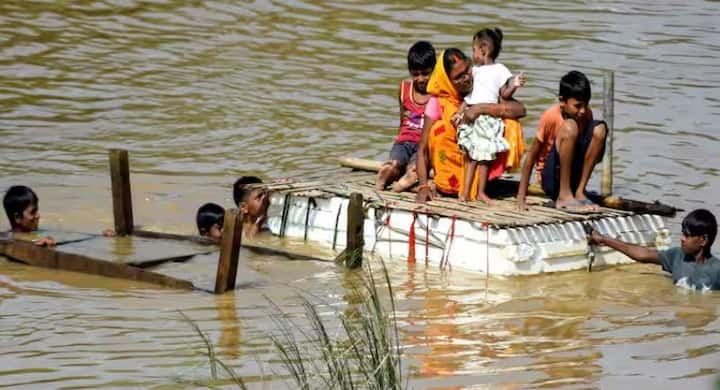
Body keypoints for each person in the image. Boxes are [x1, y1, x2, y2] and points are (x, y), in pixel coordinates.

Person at [415, 48, 526, 203]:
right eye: (458, 77)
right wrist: (423, 187)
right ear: (448, 80)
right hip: (449, 181)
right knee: (440, 130)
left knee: (511, 124)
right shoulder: (439, 102)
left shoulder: (483, 87)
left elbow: (520, 110)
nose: (466, 78)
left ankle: (481, 188)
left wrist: (480, 108)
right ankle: (458, 189)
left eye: (467, 70)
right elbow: (422, 149)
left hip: (484, 169)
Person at [516, 70, 608, 211]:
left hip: (573, 177)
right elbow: (531, 156)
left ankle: (579, 192)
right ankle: (564, 195)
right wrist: (521, 198)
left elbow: (591, 152)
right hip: (552, 179)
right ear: (562, 101)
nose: (582, 111)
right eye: (577, 106)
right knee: (570, 126)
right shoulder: (551, 116)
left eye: (585, 105)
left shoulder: (586, 114)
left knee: (600, 128)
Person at [457, 28, 526, 203]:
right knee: (472, 156)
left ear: (484, 49)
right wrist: (460, 111)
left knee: (485, 158)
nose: (473, 53)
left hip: (489, 119)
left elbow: (504, 93)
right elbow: (469, 96)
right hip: (472, 116)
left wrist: (515, 84)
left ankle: (480, 192)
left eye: (474, 50)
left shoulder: (500, 70)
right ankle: (465, 192)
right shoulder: (474, 71)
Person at [588, 209, 720, 290]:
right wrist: (604, 239)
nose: (682, 239)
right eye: (682, 234)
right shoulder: (677, 256)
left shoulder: (716, 270)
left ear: (703, 240)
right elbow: (644, 255)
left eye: (687, 235)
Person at [375, 41, 436, 192]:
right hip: (403, 143)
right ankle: (386, 176)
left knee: (414, 168)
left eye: (425, 73)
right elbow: (402, 121)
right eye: (416, 74)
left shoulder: (438, 94)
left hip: (423, 147)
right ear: (410, 72)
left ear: (434, 70)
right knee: (396, 164)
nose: (421, 79)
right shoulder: (404, 90)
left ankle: (400, 179)